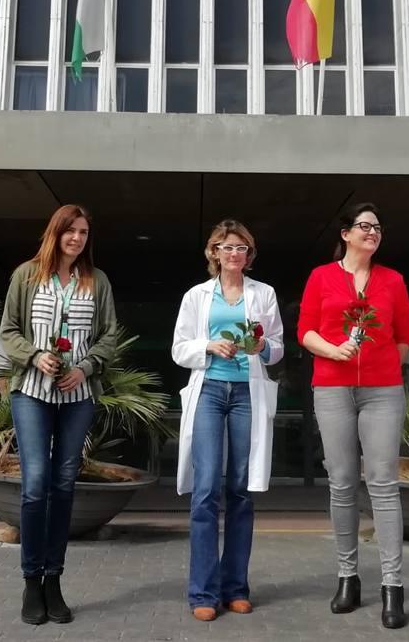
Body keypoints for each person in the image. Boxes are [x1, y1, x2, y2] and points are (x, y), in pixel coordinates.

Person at [0, 204, 120, 626]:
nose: (78, 238)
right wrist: (34, 357)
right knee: (35, 485)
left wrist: (85, 367)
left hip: (78, 394)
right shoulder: (26, 275)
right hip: (31, 391)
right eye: (71, 230)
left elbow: (108, 335)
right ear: (56, 232)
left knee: (64, 483)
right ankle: (31, 580)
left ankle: (54, 579)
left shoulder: (96, 280)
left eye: (84, 232)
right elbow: (8, 330)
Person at [297, 202, 409, 630]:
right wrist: (334, 350)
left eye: (378, 227)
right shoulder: (321, 277)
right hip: (331, 386)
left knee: (383, 483)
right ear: (345, 234)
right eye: (365, 226)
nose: (373, 233)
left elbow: (405, 335)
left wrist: (384, 366)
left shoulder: (393, 280)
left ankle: (392, 585)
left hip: (382, 391)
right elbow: (305, 330)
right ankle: (348, 576)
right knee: (342, 482)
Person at [172, 219, 284, 622]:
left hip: (246, 395)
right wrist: (208, 345)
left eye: (241, 248)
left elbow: (277, 351)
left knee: (240, 489)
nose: (234, 254)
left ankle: (235, 587)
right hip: (209, 392)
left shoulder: (264, 294)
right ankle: (202, 591)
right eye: (227, 247)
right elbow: (179, 349)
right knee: (205, 490)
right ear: (214, 253)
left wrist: (261, 346)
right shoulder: (196, 296)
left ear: (248, 255)